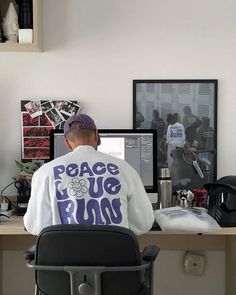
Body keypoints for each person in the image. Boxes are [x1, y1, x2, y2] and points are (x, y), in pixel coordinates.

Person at [24, 114, 154, 235]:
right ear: (97, 136)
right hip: (114, 257)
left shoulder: (44, 173)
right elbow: (144, 224)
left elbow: (35, 226)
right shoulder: (125, 169)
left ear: (67, 143)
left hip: (64, 257)